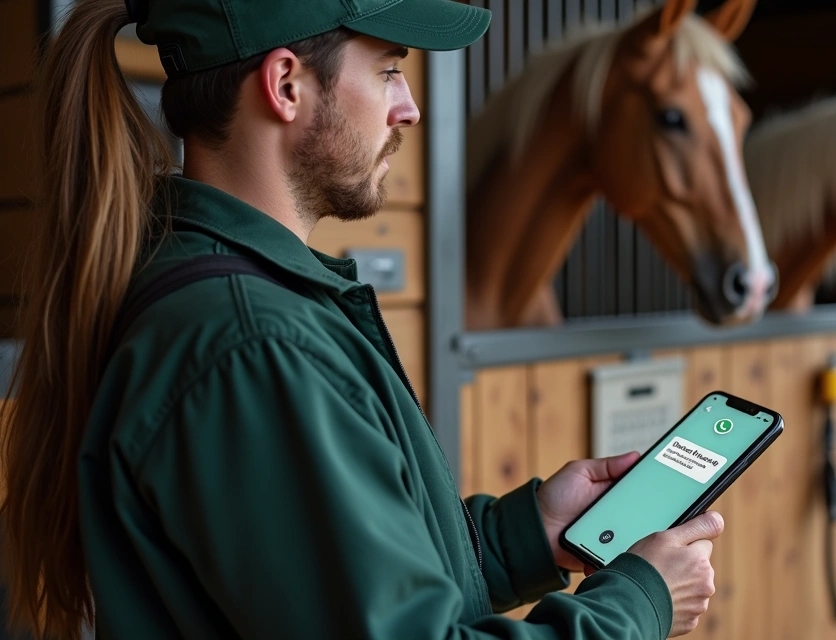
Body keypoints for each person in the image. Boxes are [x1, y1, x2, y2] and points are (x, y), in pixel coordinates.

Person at [0, 0, 724, 638]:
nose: (408, 106)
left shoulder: (243, 307)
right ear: (286, 84)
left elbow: (332, 579)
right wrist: (638, 602)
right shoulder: (251, 347)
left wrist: (524, 536)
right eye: (387, 71)